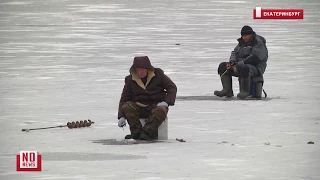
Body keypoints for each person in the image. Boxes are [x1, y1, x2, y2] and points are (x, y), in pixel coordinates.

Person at [117, 56, 177, 140]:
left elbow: (172, 87)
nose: (140, 72)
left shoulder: (159, 74)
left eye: (142, 70)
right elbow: (124, 98)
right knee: (127, 106)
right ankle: (136, 132)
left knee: (161, 110)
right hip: (138, 107)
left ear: (147, 69)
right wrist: (121, 116)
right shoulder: (129, 79)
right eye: (138, 70)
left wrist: (166, 102)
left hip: (156, 106)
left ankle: (146, 133)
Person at [214, 25, 268, 99]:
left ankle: (245, 92)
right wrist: (232, 62)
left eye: (246, 36)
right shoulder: (242, 42)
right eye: (243, 36)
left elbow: (255, 58)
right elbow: (234, 52)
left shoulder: (258, 42)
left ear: (251, 34)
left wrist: (240, 64)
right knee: (223, 66)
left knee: (244, 68)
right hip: (240, 65)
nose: (244, 38)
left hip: (256, 68)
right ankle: (227, 90)